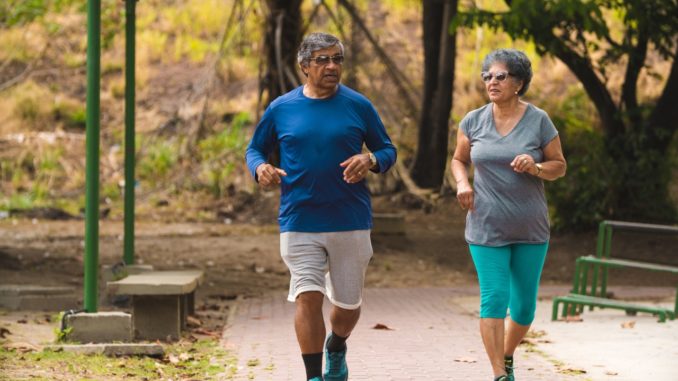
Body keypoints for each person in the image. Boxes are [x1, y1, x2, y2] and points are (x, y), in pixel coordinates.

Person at [245, 32, 397, 381]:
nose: (332, 66)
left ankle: (337, 344)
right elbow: (255, 149)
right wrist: (260, 168)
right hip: (298, 217)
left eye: (337, 59)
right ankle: (314, 376)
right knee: (307, 296)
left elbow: (388, 150)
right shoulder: (281, 108)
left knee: (347, 307)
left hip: (350, 218)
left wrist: (370, 158)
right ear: (304, 67)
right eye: (323, 59)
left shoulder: (358, 105)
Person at [451, 48, 567, 381]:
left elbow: (559, 166)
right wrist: (462, 183)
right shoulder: (473, 120)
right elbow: (459, 159)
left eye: (500, 76)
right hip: (485, 225)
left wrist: (536, 166)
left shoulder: (539, 120)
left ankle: (507, 354)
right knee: (494, 299)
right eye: (487, 75)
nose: (491, 81)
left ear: (518, 82)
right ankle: (500, 374)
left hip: (530, 227)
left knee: (524, 308)